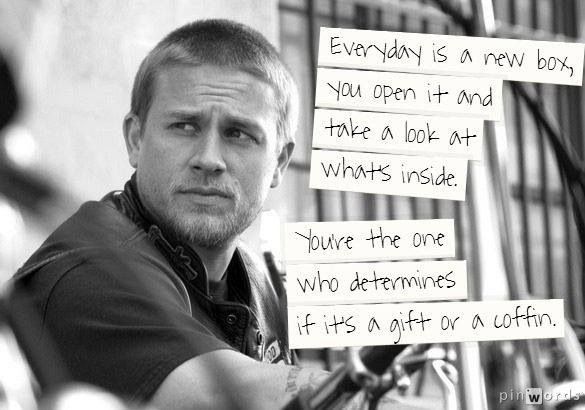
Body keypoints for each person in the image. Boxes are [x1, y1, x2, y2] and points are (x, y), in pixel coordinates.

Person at [12, 19, 335, 409]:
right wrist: (366, 388)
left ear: (280, 162)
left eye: (238, 134)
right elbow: (222, 395)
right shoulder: (90, 268)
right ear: (136, 138)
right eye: (184, 126)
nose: (209, 159)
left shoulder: (257, 281)